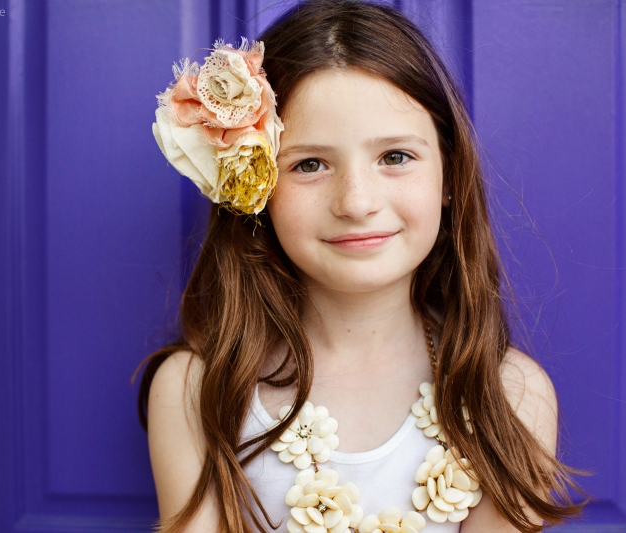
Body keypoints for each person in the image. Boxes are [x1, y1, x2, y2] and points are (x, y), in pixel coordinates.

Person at [136, 1, 587, 532]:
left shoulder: (510, 395)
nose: (356, 202)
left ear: (448, 175)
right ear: (256, 189)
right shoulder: (194, 391)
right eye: (309, 164)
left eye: (394, 157)